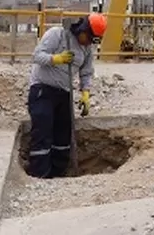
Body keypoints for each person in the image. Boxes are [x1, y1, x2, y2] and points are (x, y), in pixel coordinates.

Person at [25, 13, 108, 178]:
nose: (89, 42)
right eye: (89, 37)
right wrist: (56, 58)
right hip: (43, 90)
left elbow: (86, 73)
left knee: (63, 134)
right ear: (82, 29)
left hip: (64, 93)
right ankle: (40, 175)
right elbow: (37, 56)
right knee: (43, 131)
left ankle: (59, 173)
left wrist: (85, 94)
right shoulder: (58, 34)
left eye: (94, 40)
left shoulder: (86, 48)